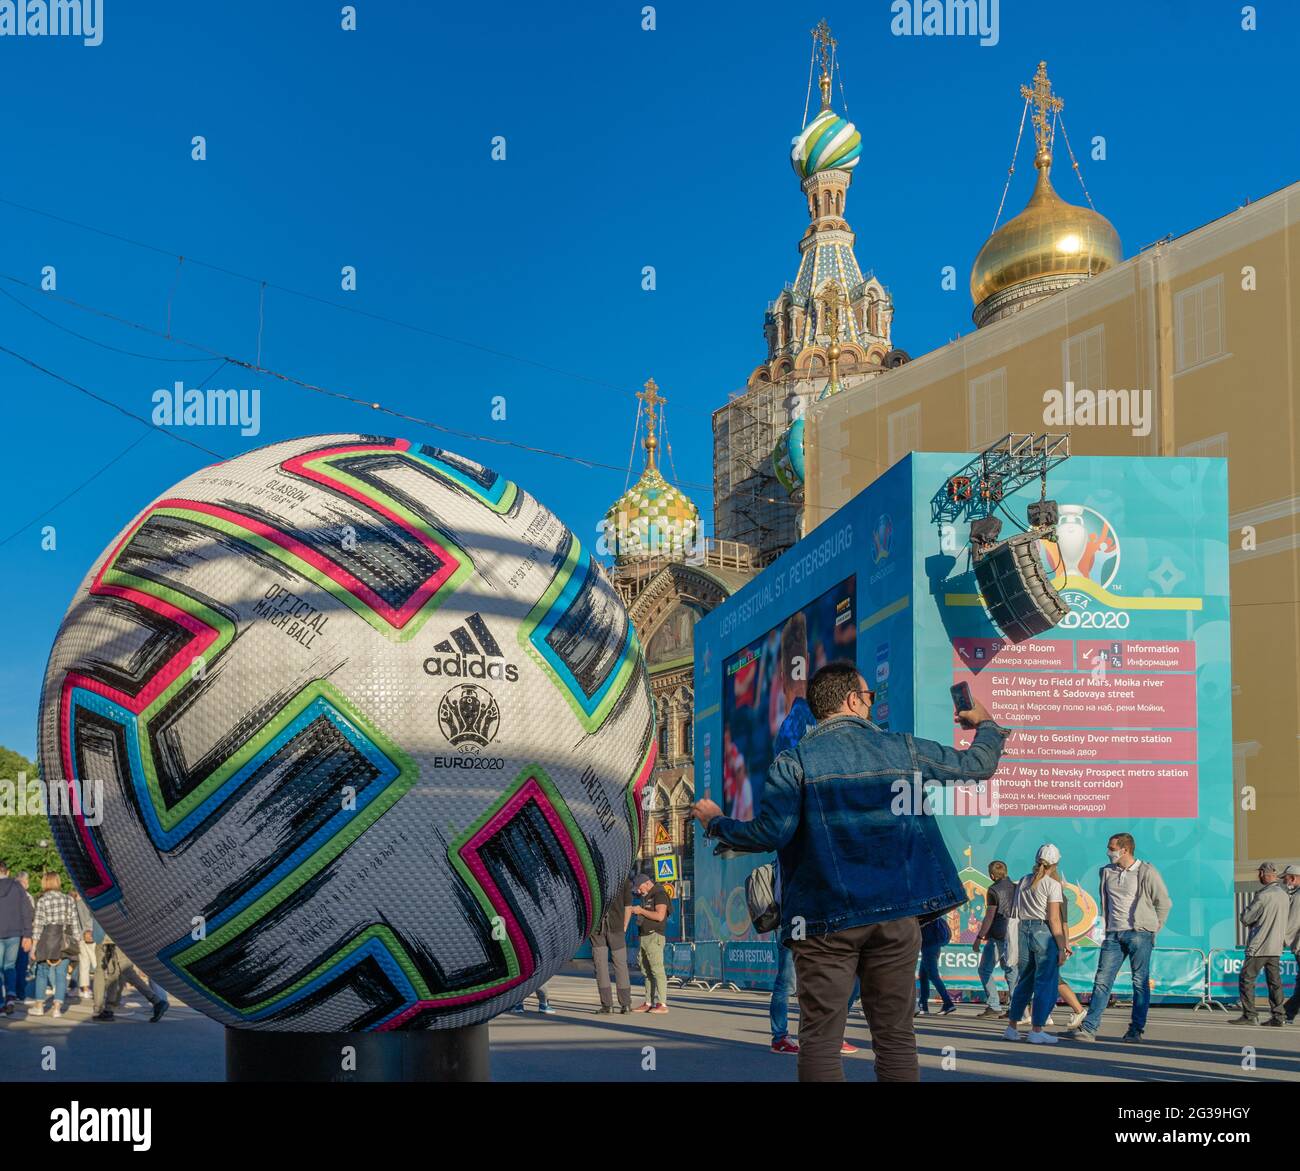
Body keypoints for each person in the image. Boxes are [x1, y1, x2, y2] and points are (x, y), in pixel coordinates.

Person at [692, 660, 1010, 1082]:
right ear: (853, 700)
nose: (870, 703)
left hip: (824, 919)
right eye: (869, 696)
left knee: (821, 1039)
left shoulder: (794, 762)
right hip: (896, 916)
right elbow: (978, 766)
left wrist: (716, 821)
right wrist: (985, 724)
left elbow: (772, 832)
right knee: (895, 1037)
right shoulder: (904, 749)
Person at [1065, 832, 1172, 1043]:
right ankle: (1089, 1028)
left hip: (1139, 934)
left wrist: (1152, 929)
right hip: (1113, 935)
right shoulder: (1106, 872)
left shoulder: (1146, 871)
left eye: (1112, 848)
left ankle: (1135, 1030)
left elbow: (1164, 903)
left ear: (1125, 849)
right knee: (1102, 980)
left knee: (1139, 982)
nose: (1108, 852)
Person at [769, 863, 861, 1055]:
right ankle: (780, 1038)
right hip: (796, 922)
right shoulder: (787, 854)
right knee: (787, 983)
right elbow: (781, 894)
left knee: (844, 981)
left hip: (821, 923)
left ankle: (829, 1033)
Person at [1002, 845, 1072, 1045]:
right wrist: (1062, 946)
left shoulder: (1024, 880)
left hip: (1024, 931)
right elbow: (1054, 919)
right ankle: (1037, 1029)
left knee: (1025, 981)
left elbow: (1016, 910)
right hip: (1043, 932)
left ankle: (1012, 1027)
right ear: (1056, 864)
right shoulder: (1052, 884)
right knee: (1045, 983)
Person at [1232, 861, 1290, 1027]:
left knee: (1246, 979)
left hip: (1259, 946)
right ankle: (1278, 1016)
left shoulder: (1263, 895)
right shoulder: (1284, 895)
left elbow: (1246, 918)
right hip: (1276, 946)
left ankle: (1250, 1015)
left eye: (1260, 873)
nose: (1258, 876)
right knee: (1275, 982)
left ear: (1266, 874)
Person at [91, 916, 168, 1022]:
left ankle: (157, 1001)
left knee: (122, 971)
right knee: (117, 972)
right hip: (119, 935)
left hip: (110, 936)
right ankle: (109, 1010)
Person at [973, 860, 1017, 1019]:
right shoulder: (1016, 887)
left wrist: (979, 936)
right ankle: (1015, 1008)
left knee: (984, 969)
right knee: (1012, 972)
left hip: (998, 935)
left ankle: (993, 1005)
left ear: (992, 875)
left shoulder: (993, 890)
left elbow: (990, 916)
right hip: (1014, 935)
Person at [30, 872, 79, 1017]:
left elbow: (38, 926)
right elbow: (75, 923)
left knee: (41, 974)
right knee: (61, 975)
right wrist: (76, 942)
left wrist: (33, 946)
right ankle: (57, 1008)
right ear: (58, 882)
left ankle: (39, 1006)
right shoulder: (68, 899)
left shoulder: (42, 900)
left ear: (45, 883)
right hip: (63, 942)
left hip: (46, 941)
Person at [591, 875, 633, 1014]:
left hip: (598, 929)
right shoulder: (624, 879)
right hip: (617, 928)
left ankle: (607, 1005)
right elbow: (628, 906)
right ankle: (625, 1005)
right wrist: (624, 926)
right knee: (621, 965)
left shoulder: (594, 878)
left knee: (600, 966)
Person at [630, 872, 671, 1013]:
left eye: (640, 887)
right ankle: (648, 1002)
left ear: (647, 883)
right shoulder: (646, 896)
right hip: (644, 937)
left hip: (654, 937)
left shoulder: (659, 894)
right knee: (646, 971)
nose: (638, 890)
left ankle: (662, 1004)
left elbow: (660, 916)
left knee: (657, 970)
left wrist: (641, 911)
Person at [0, 862, 34, 1016]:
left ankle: (1, 1002)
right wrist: (27, 934)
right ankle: (11, 996)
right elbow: (27, 911)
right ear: (8, 871)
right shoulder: (17, 887)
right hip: (14, 933)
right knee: (10, 966)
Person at [916, 915, 956, 1016]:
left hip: (928, 946)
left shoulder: (922, 913)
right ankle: (923, 1005)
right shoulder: (931, 912)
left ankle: (948, 1003)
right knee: (923, 976)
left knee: (933, 976)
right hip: (933, 945)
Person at [1282, 864, 1300, 1024]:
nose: (1284, 881)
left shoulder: (1298, 896)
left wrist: (1282, 943)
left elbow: (1293, 922)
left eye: (1285, 878)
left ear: (1293, 878)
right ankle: (1288, 1013)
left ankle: (1287, 1012)